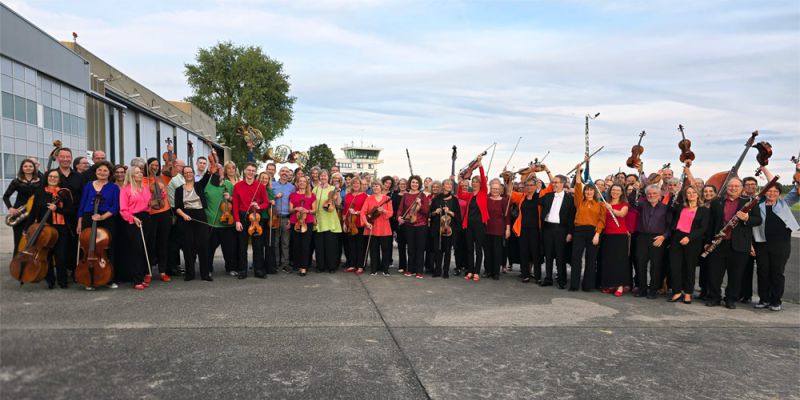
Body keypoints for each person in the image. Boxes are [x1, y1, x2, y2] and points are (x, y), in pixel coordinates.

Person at [706, 177, 761, 309]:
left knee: (736, 275)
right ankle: (714, 297)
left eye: (737, 186)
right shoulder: (716, 202)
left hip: (739, 244)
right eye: (731, 186)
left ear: (742, 188)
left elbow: (758, 220)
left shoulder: (749, 202)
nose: (733, 188)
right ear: (727, 188)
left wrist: (747, 218)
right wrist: (708, 242)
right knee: (714, 273)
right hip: (719, 243)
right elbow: (710, 224)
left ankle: (730, 299)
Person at [751, 166, 799, 311]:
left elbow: (793, 189)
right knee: (763, 271)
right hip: (762, 243)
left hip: (781, 245)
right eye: (769, 191)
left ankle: (776, 301)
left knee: (777, 272)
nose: (772, 193)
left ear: (779, 193)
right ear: (765, 192)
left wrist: (798, 173)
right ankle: (764, 299)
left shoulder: (784, 203)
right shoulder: (758, 205)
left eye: (775, 191)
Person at [75, 161, 120, 290]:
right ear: (95, 172)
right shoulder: (89, 185)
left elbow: (115, 207)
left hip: (106, 218)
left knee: (107, 248)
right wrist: (80, 222)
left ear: (109, 173)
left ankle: (109, 278)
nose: (102, 172)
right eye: (99, 170)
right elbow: (82, 204)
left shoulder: (113, 187)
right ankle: (88, 278)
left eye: (105, 170)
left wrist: (102, 216)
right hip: (89, 217)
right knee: (88, 247)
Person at [32, 169, 73, 289]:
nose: (52, 179)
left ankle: (62, 280)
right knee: (47, 255)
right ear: (47, 177)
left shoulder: (64, 192)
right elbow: (34, 212)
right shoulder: (40, 193)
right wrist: (26, 228)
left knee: (61, 256)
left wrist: (57, 209)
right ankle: (50, 279)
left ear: (59, 179)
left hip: (61, 228)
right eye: (50, 176)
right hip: (45, 229)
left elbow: (71, 211)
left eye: (55, 177)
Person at [667, 186, 709, 304]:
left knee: (689, 268)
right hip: (677, 239)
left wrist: (689, 238)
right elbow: (670, 207)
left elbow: (703, 228)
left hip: (693, 240)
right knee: (675, 266)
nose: (691, 195)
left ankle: (688, 293)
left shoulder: (704, 210)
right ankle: (677, 291)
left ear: (698, 195)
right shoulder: (680, 207)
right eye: (688, 193)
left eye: (693, 192)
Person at [119, 166, 157, 290]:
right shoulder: (125, 190)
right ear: (131, 175)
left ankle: (141, 276)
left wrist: (158, 194)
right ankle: (136, 279)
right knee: (136, 249)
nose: (140, 174)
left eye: (140, 172)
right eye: (137, 173)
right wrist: (132, 218)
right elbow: (123, 209)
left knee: (144, 248)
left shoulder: (145, 188)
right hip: (133, 219)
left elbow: (148, 205)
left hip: (146, 218)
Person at [570, 161, 606, 291]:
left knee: (591, 260)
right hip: (579, 231)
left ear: (595, 192)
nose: (589, 192)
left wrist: (597, 234)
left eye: (591, 190)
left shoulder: (600, 205)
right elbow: (578, 186)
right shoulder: (580, 202)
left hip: (593, 232)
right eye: (587, 190)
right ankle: (574, 285)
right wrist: (578, 171)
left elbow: (601, 220)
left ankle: (588, 285)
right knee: (576, 258)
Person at [174, 165, 213, 281]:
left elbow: (208, 174)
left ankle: (205, 274)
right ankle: (190, 274)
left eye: (190, 172)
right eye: (185, 173)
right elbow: (177, 207)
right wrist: (184, 215)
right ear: (183, 175)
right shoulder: (179, 189)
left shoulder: (199, 185)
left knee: (203, 246)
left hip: (200, 217)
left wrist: (212, 161)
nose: (188, 174)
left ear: (193, 173)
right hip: (186, 219)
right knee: (188, 247)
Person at [633, 185, 672, 299]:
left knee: (656, 266)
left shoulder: (666, 208)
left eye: (654, 193)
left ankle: (653, 290)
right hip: (642, 238)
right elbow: (631, 200)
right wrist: (636, 188)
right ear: (646, 196)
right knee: (641, 264)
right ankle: (642, 289)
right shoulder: (641, 206)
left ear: (659, 195)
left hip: (658, 238)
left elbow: (670, 226)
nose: (651, 195)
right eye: (649, 194)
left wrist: (664, 237)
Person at [233, 162, 270, 279]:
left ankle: (258, 269)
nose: (251, 172)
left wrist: (259, 206)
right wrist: (237, 221)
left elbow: (266, 203)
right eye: (249, 170)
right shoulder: (237, 186)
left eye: (253, 170)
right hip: (243, 217)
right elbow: (235, 205)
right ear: (244, 171)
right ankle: (242, 270)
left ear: (255, 172)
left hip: (255, 218)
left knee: (257, 245)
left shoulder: (261, 186)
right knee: (242, 245)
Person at [55, 148, 87, 281]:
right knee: (60, 245)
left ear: (71, 158)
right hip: (58, 215)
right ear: (57, 158)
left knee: (75, 245)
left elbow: (84, 196)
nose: (65, 159)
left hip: (75, 215)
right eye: (62, 157)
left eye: (68, 157)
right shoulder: (53, 174)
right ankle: (61, 274)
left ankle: (75, 271)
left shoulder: (79, 176)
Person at [539, 174, 575, 288]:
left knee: (561, 255)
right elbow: (534, 198)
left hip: (561, 230)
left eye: (556, 182)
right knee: (548, 255)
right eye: (553, 182)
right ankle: (548, 278)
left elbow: (571, 217)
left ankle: (562, 280)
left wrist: (570, 233)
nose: (554, 184)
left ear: (563, 183)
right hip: (548, 228)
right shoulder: (548, 196)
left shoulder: (570, 199)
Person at [456, 158, 488, 281]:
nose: (474, 183)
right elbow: (460, 195)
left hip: (480, 225)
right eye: (473, 181)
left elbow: (484, 180)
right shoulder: (469, 195)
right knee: (469, 248)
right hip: (469, 224)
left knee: (478, 249)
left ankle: (476, 272)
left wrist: (480, 166)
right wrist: (460, 182)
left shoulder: (484, 193)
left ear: (480, 183)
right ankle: (470, 270)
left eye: (477, 181)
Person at [205, 161, 238, 276]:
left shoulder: (229, 185)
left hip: (227, 223)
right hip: (211, 222)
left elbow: (237, 201)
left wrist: (230, 198)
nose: (219, 173)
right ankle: (208, 269)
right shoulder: (207, 184)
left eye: (221, 171)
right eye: (216, 171)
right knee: (209, 249)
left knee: (229, 249)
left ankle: (231, 268)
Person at [4, 159, 41, 254]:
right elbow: (6, 197)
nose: (28, 168)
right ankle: (17, 264)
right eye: (25, 166)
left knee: (34, 240)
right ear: (22, 168)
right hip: (20, 213)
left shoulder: (40, 180)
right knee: (19, 240)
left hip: (35, 213)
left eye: (30, 166)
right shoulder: (16, 181)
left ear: (34, 168)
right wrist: (10, 208)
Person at [144, 158, 173, 282]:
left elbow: (171, 168)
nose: (155, 167)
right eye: (152, 165)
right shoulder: (143, 180)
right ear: (147, 166)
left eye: (157, 165)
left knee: (163, 242)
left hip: (164, 212)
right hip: (150, 213)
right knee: (150, 242)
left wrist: (169, 153)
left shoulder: (163, 178)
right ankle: (148, 272)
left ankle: (163, 271)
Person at [398, 175, 431, 279]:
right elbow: (400, 209)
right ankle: (410, 269)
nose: (414, 184)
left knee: (420, 248)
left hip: (421, 225)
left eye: (416, 183)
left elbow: (426, 211)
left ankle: (419, 270)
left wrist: (420, 204)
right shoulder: (405, 195)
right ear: (410, 183)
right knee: (410, 248)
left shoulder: (422, 196)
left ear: (419, 184)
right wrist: (399, 217)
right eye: (413, 182)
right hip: (408, 224)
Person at [312, 170, 343, 273]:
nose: (323, 177)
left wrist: (338, 193)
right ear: (319, 177)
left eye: (325, 176)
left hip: (330, 220)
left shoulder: (333, 188)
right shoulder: (315, 189)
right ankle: (320, 266)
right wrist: (313, 216)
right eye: (321, 176)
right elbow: (312, 204)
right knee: (319, 246)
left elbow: (338, 204)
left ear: (328, 177)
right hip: (319, 219)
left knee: (331, 245)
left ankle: (331, 267)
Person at [362, 180, 394, 276]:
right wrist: (366, 223)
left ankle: (385, 269)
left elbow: (391, 213)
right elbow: (363, 212)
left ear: (381, 187)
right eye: (373, 186)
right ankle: (374, 269)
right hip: (372, 227)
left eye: (377, 186)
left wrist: (383, 210)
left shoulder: (387, 198)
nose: (375, 188)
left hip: (384, 228)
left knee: (385, 249)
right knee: (373, 250)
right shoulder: (369, 199)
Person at [429, 179, 460, 278]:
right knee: (438, 250)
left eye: (450, 184)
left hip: (449, 229)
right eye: (447, 183)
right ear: (443, 186)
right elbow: (430, 214)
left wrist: (450, 211)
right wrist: (435, 212)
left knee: (447, 251)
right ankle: (437, 270)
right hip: (437, 228)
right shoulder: (436, 199)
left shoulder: (454, 200)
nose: (449, 185)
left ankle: (445, 271)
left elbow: (458, 215)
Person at [483, 179, 510, 280]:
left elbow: (507, 217)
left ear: (500, 190)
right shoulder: (486, 199)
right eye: (493, 188)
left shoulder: (504, 201)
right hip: (486, 228)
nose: (495, 190)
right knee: (487, 251)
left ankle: (496, 272)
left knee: (497, 251)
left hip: (499, 228)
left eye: (497, 189)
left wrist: (508, 229)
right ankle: (488, 270)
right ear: (490, 188)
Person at [289, 176, 316, 276]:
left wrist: (306, 210)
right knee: (296, 244)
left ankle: (304, 267)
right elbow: (290, 210)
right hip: (294, 222)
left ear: (307, 183)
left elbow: (314, 210)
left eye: (304, 181)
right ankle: (297, 264)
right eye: (300, 181)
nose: (302, 183)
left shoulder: (311, 195)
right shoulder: (292, 195)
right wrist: (296, 208)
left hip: (307, 222)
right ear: (297, 183)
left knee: (305, 245)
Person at [272, 167, 296, 273]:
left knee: (285, 243)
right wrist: (274, 196)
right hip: (275, 217)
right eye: (283, 171)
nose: (284, 173)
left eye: (287, 171)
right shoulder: (272, 185)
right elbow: (268, 198)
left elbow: (294, 203)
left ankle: (285, 264)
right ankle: (276, 263)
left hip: (286, 217)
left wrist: (292, 219)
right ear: (279, 173)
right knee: (276, 242)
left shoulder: (292, 187)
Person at [343, 177, 368, 274]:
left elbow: (367, 210)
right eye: (354, 183)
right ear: (351, 185)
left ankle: (360, 266)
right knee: (351, 245)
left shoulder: (365, 196)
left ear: (360, 184)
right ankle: (352, 264)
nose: (356, 185)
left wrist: (357, 212)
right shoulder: (348, 195)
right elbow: (345, 210)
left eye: (357, 183)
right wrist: (344, 223)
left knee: (360, 245)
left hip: (360, 223)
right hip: (350, 223)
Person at [391, 178, 408, 272]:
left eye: (404, 184)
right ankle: (402, 265)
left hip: (409, 222)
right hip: (398, 222)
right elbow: (393, 209)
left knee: (410, 246)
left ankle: (411, 265)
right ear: (398, 185)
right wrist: (397, 218)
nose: (402, 185)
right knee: (401, 245)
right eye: (401, 184)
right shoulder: (394, 196)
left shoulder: (409, 195)